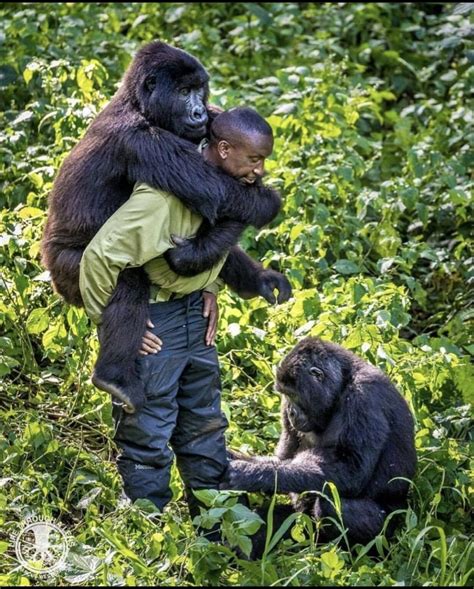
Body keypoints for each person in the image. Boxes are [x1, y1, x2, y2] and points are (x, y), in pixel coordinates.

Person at [79, 107, 277, 518]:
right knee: (147, 433)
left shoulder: (221, 181)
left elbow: (207, 241)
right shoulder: (159, 200)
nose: (260, 171)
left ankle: (215, 522)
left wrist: (210, 285)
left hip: (195, 318)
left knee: (205, 424)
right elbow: (99, 258)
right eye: (254, 160)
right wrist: (115, 326)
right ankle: (148, 527)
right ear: (223, 149)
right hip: (156, 319)